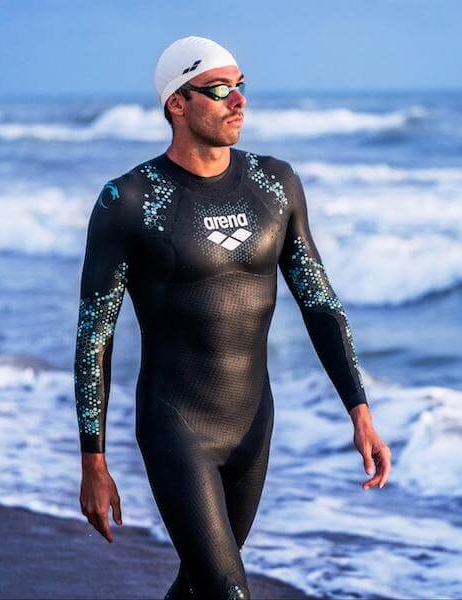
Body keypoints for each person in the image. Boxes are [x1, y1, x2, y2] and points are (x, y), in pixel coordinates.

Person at [74, 35, 392, 600]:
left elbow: (319, 301)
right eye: (219, 90)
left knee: (200, 586)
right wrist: (93, 461)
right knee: (228, 592)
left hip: (252, 424)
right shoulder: (127, 200)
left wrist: (360, 410)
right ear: (177, 103)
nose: (238, 101)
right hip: (177, 425)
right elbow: (95, 335)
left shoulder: (276, 184)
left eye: (240, 87)